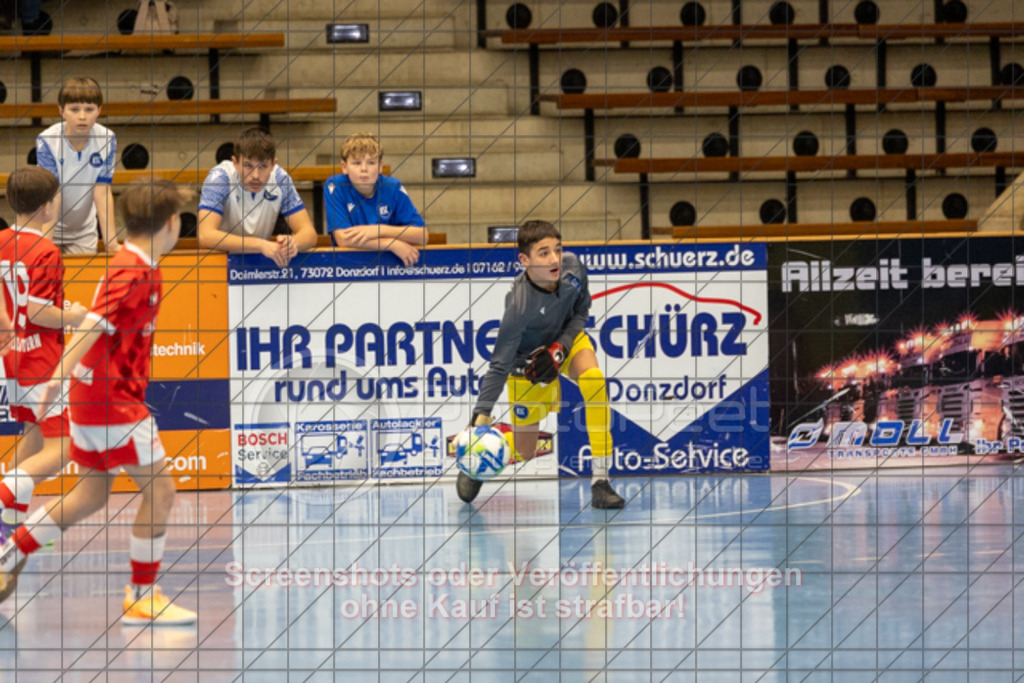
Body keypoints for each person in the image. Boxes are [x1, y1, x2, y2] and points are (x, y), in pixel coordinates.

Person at [0, 178, 197, 625]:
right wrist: (57, 375)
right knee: (161, 491)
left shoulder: (138, 261)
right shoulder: (132, 270)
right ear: (172, 224)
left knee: (90, 494)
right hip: (113, 401)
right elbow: (92, 323)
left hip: (99, 397)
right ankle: (142, 595)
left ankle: (9, 554)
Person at [458, 220, 625, 510]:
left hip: (567, 343)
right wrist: (480, 416)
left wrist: (561, 347)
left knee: (594, 380)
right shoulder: (519, 306)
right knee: (525, 452)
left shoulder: (574, 267)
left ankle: (600, 480)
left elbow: (582, 310)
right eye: (544, 253)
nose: (555, 259)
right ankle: (482, 457)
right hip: (528, 366)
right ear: (525, 261)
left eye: (557, 250)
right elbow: (499, 364)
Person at [0, 167, 89, 532]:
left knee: (34, 439)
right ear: (51, 206)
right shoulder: (46, 250)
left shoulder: (2, 240)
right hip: (40, 359)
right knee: (67, 446)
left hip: (13, 357)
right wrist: (74, 316)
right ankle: (3, 498)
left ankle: (9, 526)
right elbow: (38, 311)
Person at [197, 127, 318, 267]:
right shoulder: (220, 178)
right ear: (235, 162)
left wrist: (292, 244)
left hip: (258, 264)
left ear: (273, 164)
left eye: (263, 166)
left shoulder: (280, 179)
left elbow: (309, 234)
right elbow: (205, 236)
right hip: (219, 264)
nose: (255, 175)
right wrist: (260, 245)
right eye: (248, 165)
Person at [36, 77, 120, 255]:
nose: (82, 116)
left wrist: (111, 242)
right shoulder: (47, 141)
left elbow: (102, 192)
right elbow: (53, 193)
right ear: (61, 111)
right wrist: (44, 243)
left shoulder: (107, 139)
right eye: (74, 109)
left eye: (89, 109)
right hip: (48, 227)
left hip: (84, 231)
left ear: (99, 110)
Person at [324, 131, 428, 266]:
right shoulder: (335, 185)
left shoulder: (393, 187)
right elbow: (343, 240)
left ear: (380, 167)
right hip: (347, 265)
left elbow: (422, 236)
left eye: (371, 162)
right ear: (344, 167)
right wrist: (391, 243)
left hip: (388, 264)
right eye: (356, 163)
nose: (364, 169)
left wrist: (378, 230)